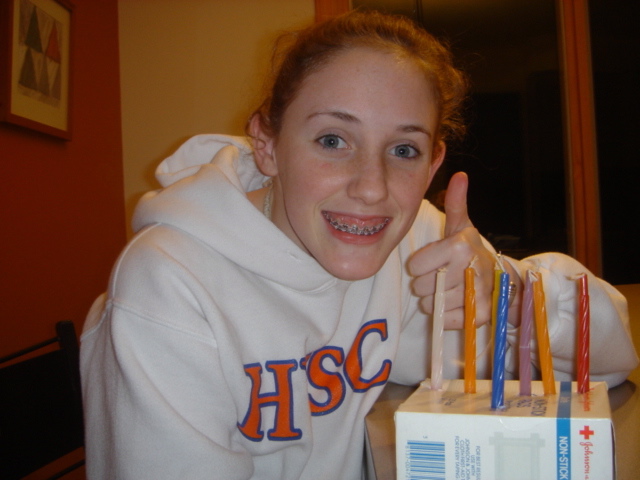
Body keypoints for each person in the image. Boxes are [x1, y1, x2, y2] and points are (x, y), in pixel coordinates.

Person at [80, 10, 638, 480]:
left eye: (403, 150)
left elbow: (607, 364)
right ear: (267, 143)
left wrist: (507, 294)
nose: (372, 187)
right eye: (332, 140)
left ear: (433, 165)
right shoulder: (169, 283)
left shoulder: (409, 239)